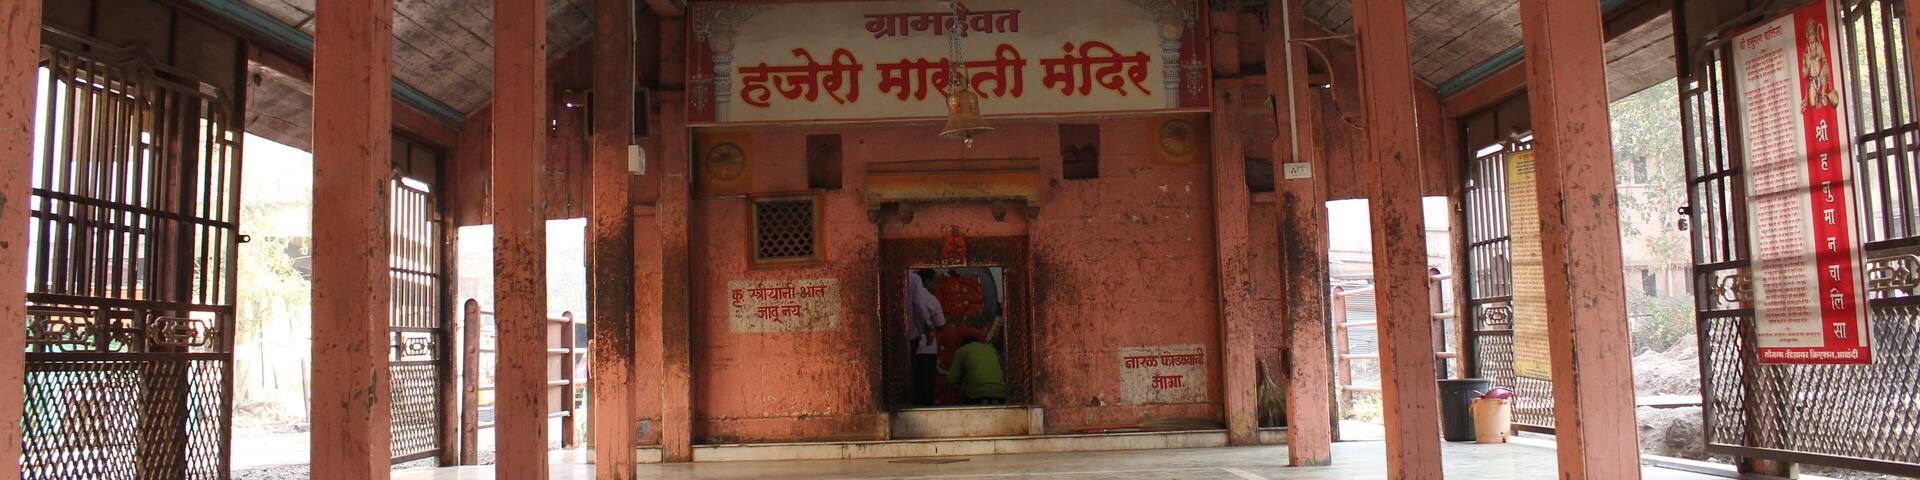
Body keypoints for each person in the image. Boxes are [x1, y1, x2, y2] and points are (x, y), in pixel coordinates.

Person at [906, 271, 946, 405]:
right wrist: (928, 328)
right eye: (935, 282)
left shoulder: (903, 284)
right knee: (926, 386)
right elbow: (941, 323)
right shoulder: (930, 298)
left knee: (911, 381)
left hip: (907, 343)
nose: (936, 286)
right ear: (928, 281)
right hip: (927, 348)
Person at [942, 335, 1006, 405]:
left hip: (976, 394)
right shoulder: (991, 349)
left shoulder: (962, 350)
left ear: (963, 345)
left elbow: (952, 379)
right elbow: (1003, 369)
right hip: (1000, 392)